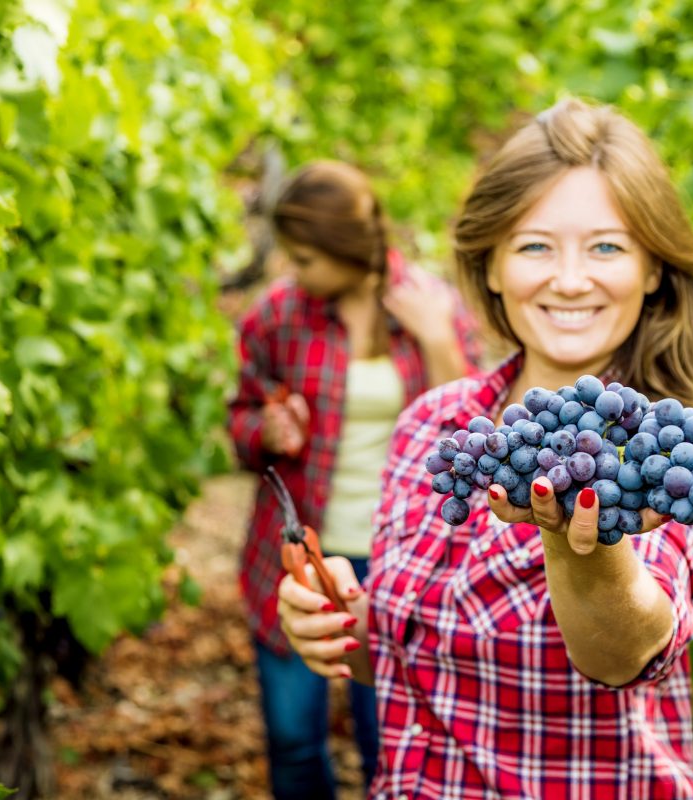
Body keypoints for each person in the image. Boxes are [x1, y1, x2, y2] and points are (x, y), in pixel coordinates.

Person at [277, 98, 693, 799]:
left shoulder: (662, 453)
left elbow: (624, 654)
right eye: (534, 246)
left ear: (653, 270)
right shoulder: (435, 425)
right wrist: (340, 626)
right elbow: (418, 659)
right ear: (490, 266)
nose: (571, 278)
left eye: (607, 247)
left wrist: (587, 551)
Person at [227, 160, 483, 800]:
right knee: (292, 738)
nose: (294, 271)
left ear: (345, 248)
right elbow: (240, 421)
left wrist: (436, 341)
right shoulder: (281, 315)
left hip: (402, 558)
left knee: (390, 741)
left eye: (306, 258)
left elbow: (474, 433)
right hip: (297, 557)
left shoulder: (430, 306)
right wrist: (270, 429)